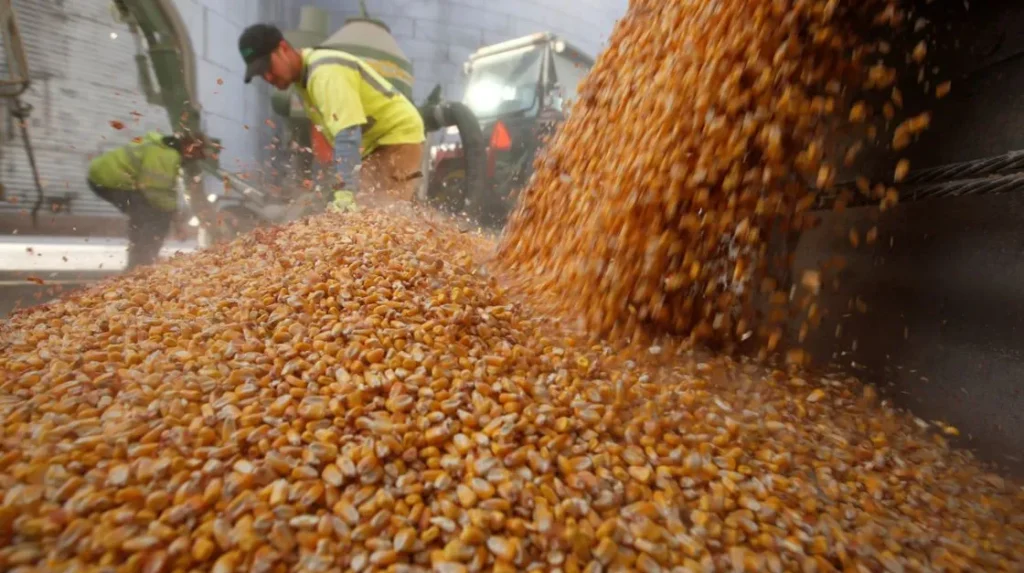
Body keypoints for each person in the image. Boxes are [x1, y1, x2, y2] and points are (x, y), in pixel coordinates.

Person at [238, 23, 425, 212]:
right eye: (261, 74)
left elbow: (347, 133)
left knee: (384, 212)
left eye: (268, 67)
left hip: (397, 136)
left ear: (284, 48)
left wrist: (345, 192)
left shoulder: (324, 73)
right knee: (364, 212)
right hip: (374, 145)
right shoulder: (303, 81)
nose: (268, 77)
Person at [86, 131, 205, 269]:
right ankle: (141, 264)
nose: (194, 160)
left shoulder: (165, 149)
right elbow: (156, 191)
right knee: (151, 216)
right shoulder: (166, 155)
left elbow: (163, 192)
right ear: (189, 147)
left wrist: (174, 218)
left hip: (107, 176)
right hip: (107, 179)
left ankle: (141, 260)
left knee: (146, 214)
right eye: (196, 155)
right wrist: (175, 220)